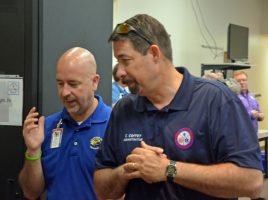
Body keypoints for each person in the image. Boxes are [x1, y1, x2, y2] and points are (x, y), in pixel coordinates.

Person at [94, 14, 263, 200]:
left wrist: (169, 169)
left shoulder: (215, 100)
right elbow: (102, 189)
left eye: (126, 61)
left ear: (154, 54)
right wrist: (127, 169)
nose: (120, 72)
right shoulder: (124, 109)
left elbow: (251, 182)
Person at [18, 47, 112, 200]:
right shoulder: (48, 127)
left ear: (94, 82)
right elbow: (31, 193)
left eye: (73, 84)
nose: (64, 92)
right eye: (60, 84)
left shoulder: (114, 124)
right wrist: (32, 151)